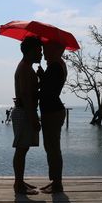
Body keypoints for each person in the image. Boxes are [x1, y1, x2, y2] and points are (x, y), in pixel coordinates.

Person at [11, 36, 43, 195]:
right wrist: (33, 117)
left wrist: (40, 79)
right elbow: (25, 95)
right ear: (30, 51)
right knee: (21, 149)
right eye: (39, 50)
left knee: (23, 148)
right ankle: (18, 185)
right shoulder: (24, 68)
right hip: (24, 111)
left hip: (25, 110)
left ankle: (20, 181)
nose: (41, 54)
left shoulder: (27, 67)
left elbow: (30, 92)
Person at [37, 41, 67, 194]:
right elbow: (49, 87)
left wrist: (41, 79)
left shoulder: (55, 66)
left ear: (54, 50)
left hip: (52, 112)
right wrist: (43, 77)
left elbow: (49, 91)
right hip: (52, 111)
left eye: (46, 48)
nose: (43, 52)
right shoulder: (56, 65)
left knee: (53, 148)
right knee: (51, 147)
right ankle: (55, 181)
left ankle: (57, 184)